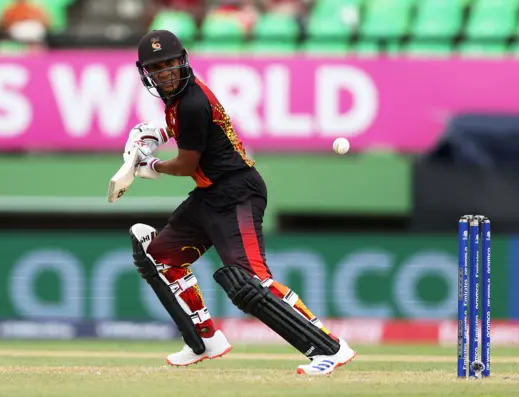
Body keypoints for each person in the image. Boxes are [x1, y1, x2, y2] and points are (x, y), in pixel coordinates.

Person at [124, 29, 356, 376]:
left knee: (252, 282)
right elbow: (184, 130)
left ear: (183, 60)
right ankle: (204, 340)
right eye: (157, 68)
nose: (166, 73)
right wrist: (156, 134)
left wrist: (151, 165)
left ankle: (331, 348)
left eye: (170, 64)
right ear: (146, 73)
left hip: (237, 193)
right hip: (210, 194)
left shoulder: (191, 101)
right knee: (159, 258)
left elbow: (187, 164)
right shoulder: (177, 102)